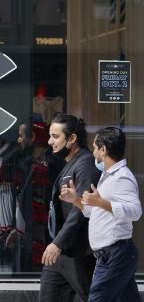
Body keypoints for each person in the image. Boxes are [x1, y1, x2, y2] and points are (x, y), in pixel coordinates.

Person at [59, 127, 142, 302]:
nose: (93, 152)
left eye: (95, 148)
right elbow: (96, 211)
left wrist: (100, 202)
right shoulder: (108, 176)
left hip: (116, 254)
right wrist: (76, 200)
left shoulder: (122, 177)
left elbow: (135, 211)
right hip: (112, 255)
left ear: (103, 150)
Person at [40, 114, 99, 302]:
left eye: (55, 136)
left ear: (72, 138)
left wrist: (57, 243)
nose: (50, 141)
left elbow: (80, 209)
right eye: (50, 136)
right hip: (62, 252)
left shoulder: (86, 163)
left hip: (79, 252)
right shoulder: (70, 163)